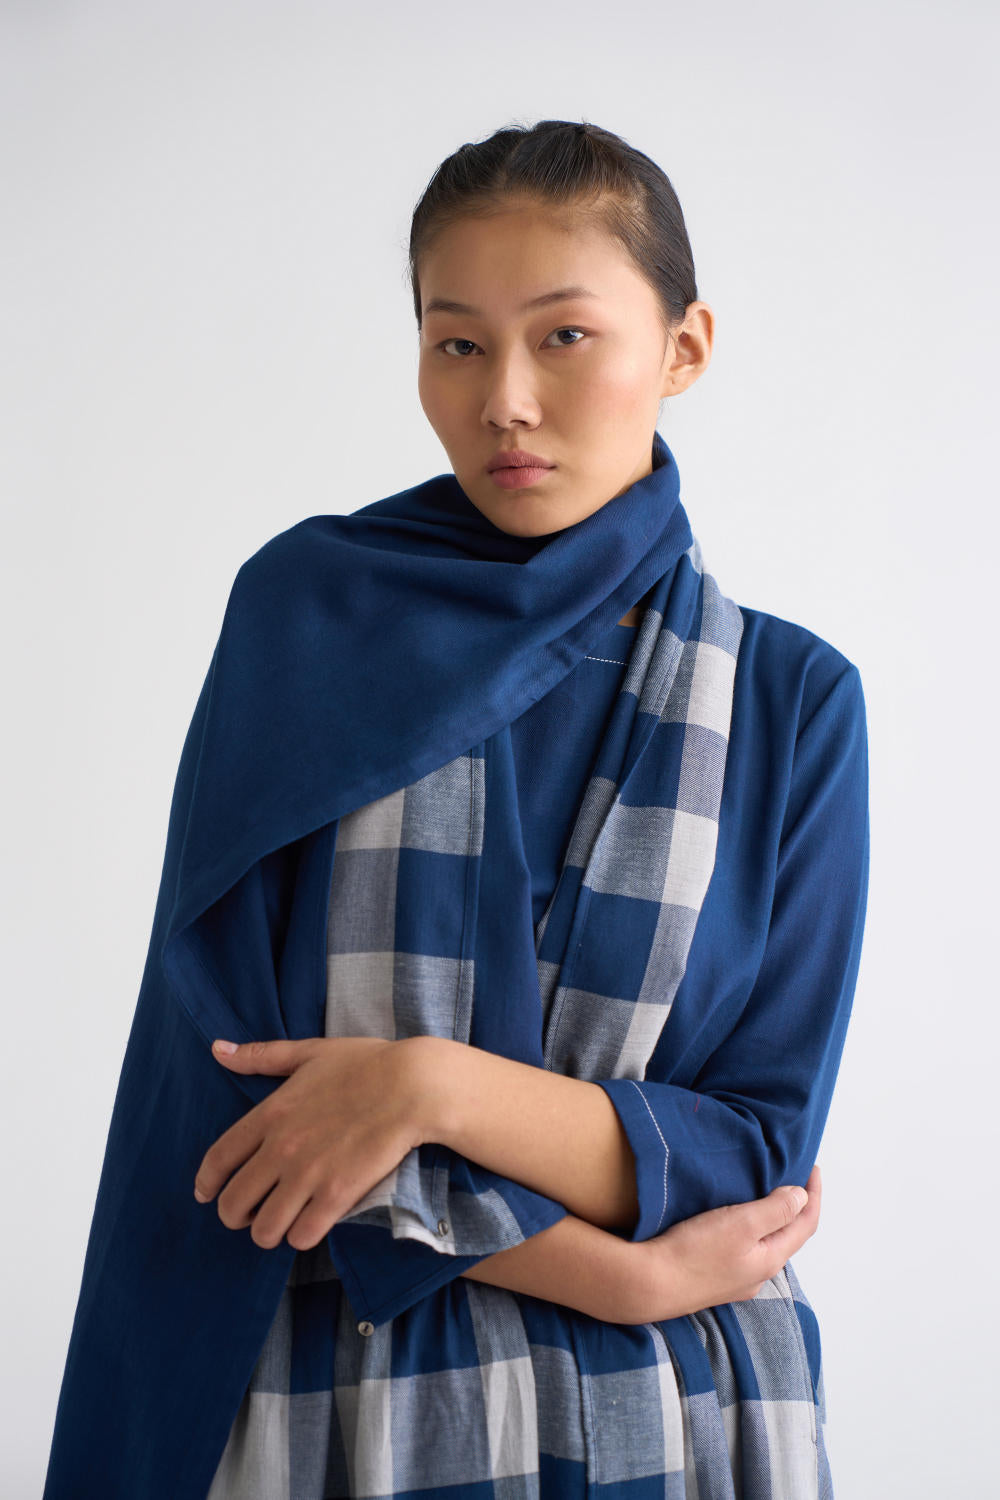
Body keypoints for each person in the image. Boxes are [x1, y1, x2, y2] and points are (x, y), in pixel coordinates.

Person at [43, 119, 869, 1499]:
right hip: (355, 1406)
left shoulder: (791, 699)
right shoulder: (311, 624)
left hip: (687, 1420)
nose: (507, 401)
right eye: (459, 344)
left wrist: (426, 1088)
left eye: (564, 336)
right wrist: (620, 1276)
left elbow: (755, 1150)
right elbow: (240, 1106)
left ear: (684, 348)